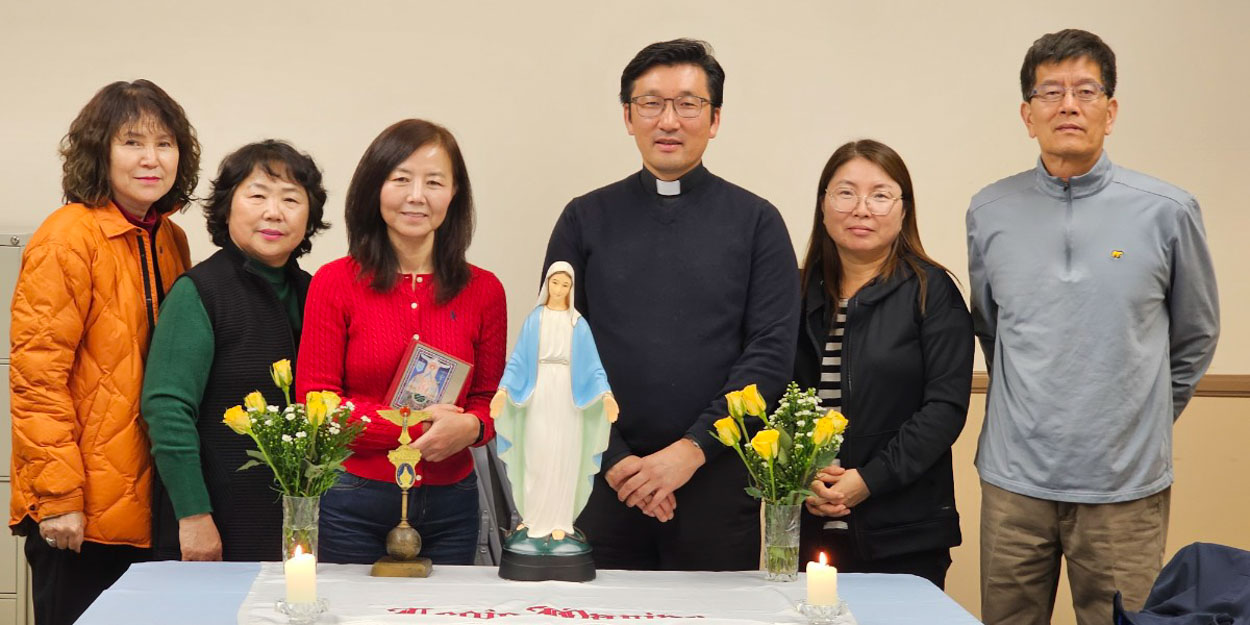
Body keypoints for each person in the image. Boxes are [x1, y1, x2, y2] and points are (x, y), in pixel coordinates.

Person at [967, 29, 1219, 625]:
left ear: (1111, 110)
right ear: (1027, 115)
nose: (1069, 106)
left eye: (1086, 90)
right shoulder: (988, 210)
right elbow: (992, 328)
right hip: (1014, 482)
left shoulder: (1168, 210)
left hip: (1123, 486)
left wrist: (1141, 416)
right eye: (1050, 92)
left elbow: (1196, 335)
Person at [543, 39, 799, 571]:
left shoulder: (757, 222)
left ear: (715, 118)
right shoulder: (583, 218)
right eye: (651, 103)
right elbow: (558, 348)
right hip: (603, 478)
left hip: (717, 477)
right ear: (627, 116)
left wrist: (693, 449)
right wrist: (617, 460)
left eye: (688, 104)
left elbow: (770, 355)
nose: (669, 120)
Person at [9, 79, 198, 625]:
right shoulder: (66, 236)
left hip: (147, 506)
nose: (151, 159)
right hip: (80, 514)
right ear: (100, 151)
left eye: (164, 144)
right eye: (132, 142)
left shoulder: (170, 238)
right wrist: (59, 498)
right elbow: (37, 379)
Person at [296, 119, 506, 565]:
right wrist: (415, 428)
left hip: (452, 501)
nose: (416, 195)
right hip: (353, 498)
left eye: (434, 182)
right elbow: (316, 400)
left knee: (451, 606)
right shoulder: (334, 283)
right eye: (401, 179)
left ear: (454, 194)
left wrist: (472, 428)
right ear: (374, 188)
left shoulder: (485, 291)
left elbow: (492, 399)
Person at [792, 139, 972, 589]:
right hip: (811, 522)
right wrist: (803, 476)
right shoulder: (795, 294)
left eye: (880, 195)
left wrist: (868, 480)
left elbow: (944, 409)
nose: (861, 209)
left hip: (903, 532)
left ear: (903, 209)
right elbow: (779, 400)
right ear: (823, 205)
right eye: (845, 193)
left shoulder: (932, 291)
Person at [141, 140, 330, 562]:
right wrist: (193, 515)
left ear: (309, 217)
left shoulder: (316, 293)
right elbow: (167, 409)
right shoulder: (200, 292)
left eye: (291, 199)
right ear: (227, 209)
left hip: (299, 522)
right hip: (217, 521)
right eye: (258, 196)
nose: (274, 212)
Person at [491, 261, 619, 542]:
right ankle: (533, 517)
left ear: (571, 288)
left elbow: (593, 367)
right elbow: (518, 360)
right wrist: (503, 391)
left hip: (567, 397)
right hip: (539, 392)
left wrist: (606, 395)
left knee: (564, 454)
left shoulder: (577, 324)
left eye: (565, 284)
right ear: (547, 284)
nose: (559, 289)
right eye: (555, 283)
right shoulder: (535, 320)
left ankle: (561, 519)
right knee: (536, 452)